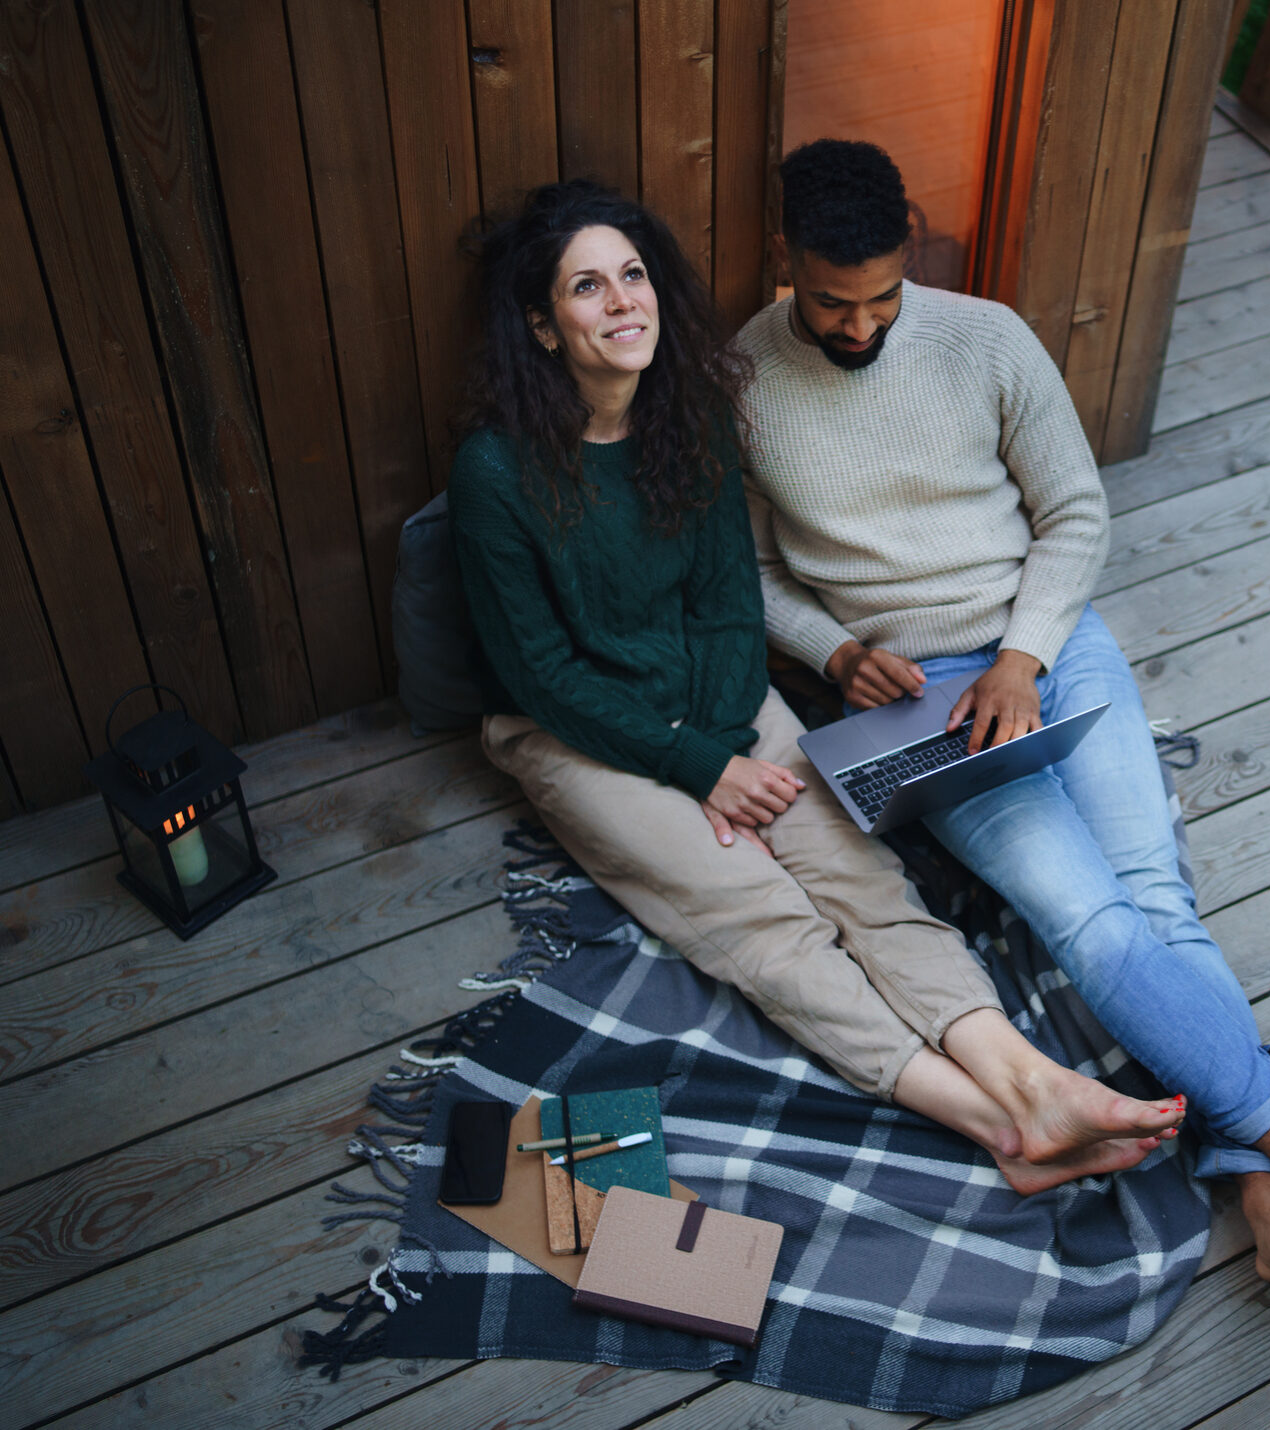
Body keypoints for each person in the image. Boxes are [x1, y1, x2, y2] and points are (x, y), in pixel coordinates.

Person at [738, 141, 1270, 1303]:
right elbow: (747, 571)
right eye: (830, 302)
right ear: (782, 256)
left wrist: (1023, 654)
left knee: (1153, 891)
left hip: (1046, 638)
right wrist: (835, 649)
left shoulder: (987, 337)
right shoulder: (735, 380)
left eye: (883, 298)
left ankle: (1257, 1179)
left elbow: (1074, 511)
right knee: (1087, 921)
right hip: (918, 695)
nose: (858, 328)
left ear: (913, 250)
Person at [445, 178, 1186, 1196]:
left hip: (717, 693)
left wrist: (728, 738)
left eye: (632, 273)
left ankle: (1029, 1075)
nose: (624, 301)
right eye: (587, 287)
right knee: (764, 916)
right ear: (541, 324)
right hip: (573, 729)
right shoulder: (497, 473)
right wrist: (698, 765)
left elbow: (724, 600)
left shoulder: (691, 411)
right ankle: (997, 1126)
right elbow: (543, 673)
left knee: (861, 875)